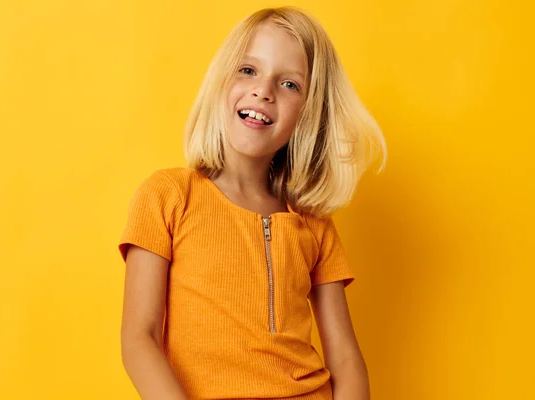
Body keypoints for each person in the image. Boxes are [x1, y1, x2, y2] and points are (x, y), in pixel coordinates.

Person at [118, 6, 387, 400]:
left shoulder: (312, 223)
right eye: (248, 70)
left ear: (308, 113)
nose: (264, 90)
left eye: (289, 84)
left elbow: (346, 359)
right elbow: (138, 339)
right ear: (221, 81)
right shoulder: (168, 195)